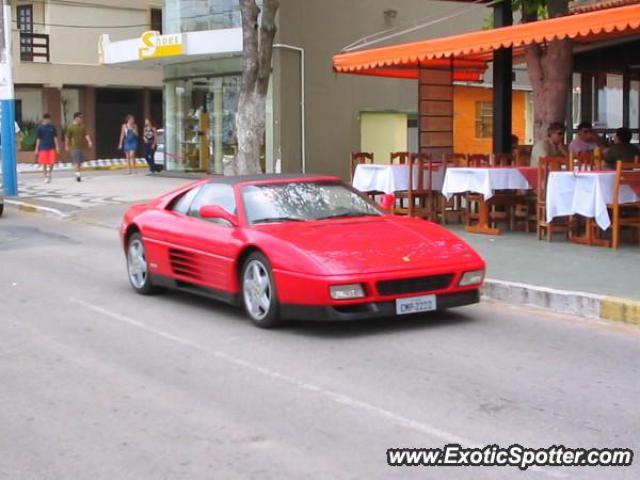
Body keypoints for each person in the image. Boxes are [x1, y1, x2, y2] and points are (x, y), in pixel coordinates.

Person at [65, 112, 93, 182]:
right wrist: (66, 145)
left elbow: (86, 134)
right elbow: (67, 137)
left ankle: (78, 172)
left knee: (80, 161)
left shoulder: (82, 126)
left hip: (82, 147)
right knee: (76, 161)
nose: (81, 119)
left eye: (82, 117)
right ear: (76, 118)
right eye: (80, 117)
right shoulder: (70, 127)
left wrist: (89, 141)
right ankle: (78, 174)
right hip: (74, 147)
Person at [35, 113, 60, 183]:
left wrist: (57, 146)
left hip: (51, 146)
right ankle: (45, 176)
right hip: (43, 147)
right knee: (44, 163)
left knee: (52, 162)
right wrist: (36, 149)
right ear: (44, 119)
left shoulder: (52, 127)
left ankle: (49, 173)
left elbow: (55, 137)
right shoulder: (40, 128)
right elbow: (38, 139)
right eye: (48, 119)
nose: (49, 120)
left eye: (50, 119)